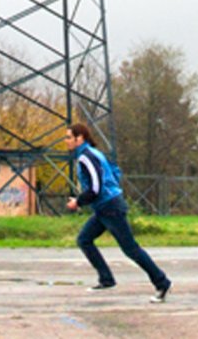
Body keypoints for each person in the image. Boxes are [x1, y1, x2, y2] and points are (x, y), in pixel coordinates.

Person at [64, 122, 172, 302]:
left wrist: (78, 201)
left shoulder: (86, 157)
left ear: (79, 138)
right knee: (84, 239)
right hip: (104, 207)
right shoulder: (94, 153)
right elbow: (114, 173)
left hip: (110, 207)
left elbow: (95, 188)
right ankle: (106, 279)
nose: (66, 141)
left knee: (131, 249)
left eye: (68, 137)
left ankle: (162, 282)